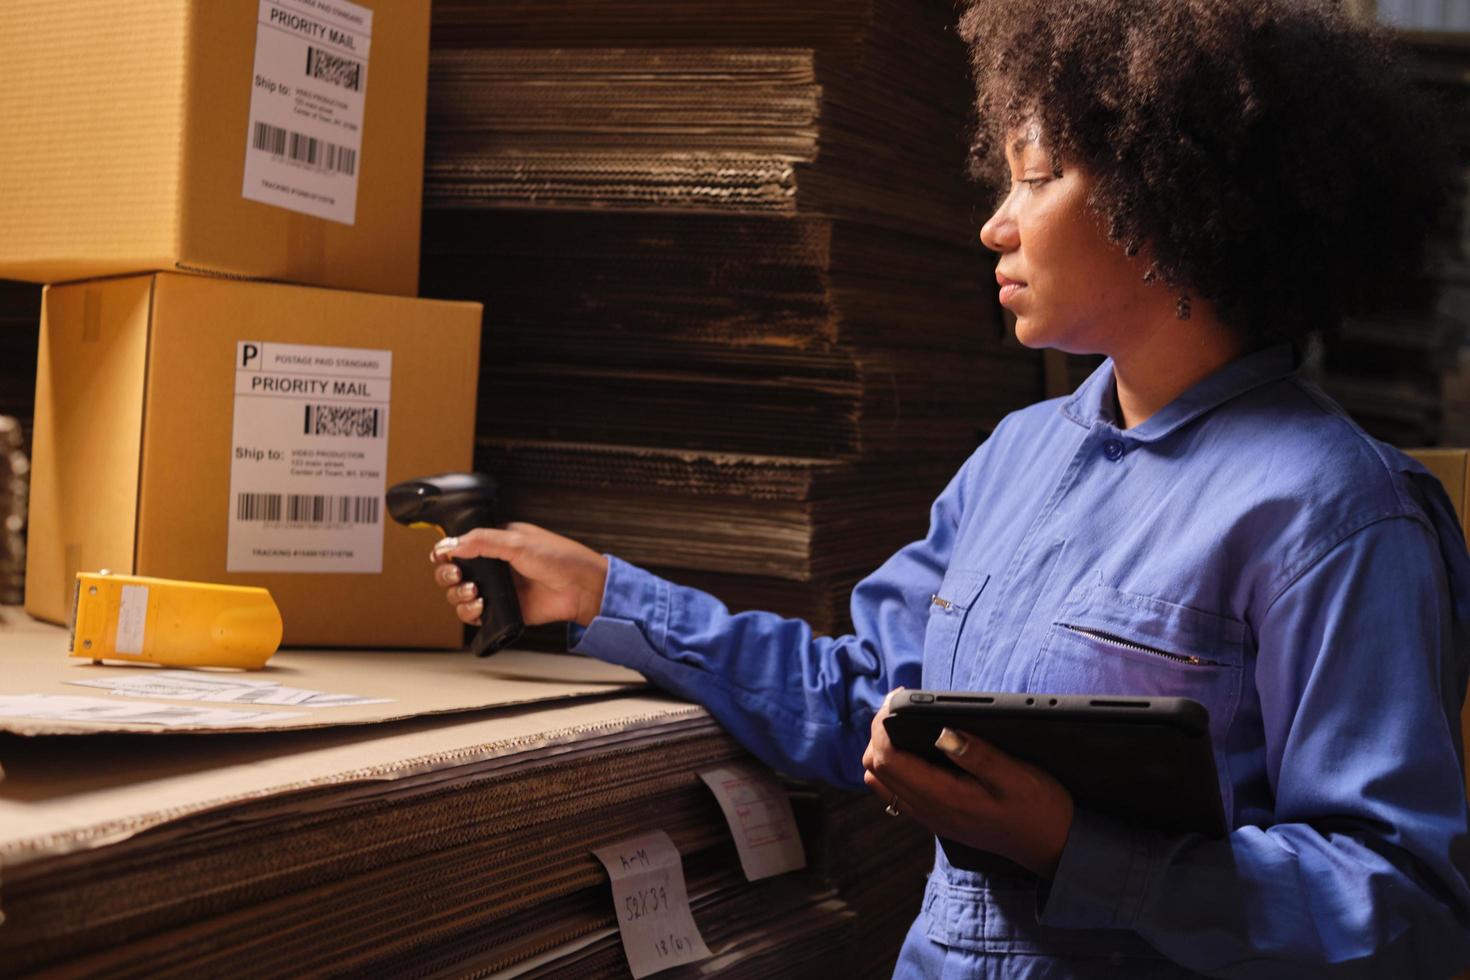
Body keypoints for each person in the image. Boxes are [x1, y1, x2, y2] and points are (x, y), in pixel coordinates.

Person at [430, 0, 1470, 975]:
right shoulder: (1019, 456)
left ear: (1171, 195)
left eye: (1037, 176)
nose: (995, 224)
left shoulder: (1335, 514)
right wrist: (607, 592)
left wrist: (1072, 846)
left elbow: (1403, 906)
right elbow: (864, 700)